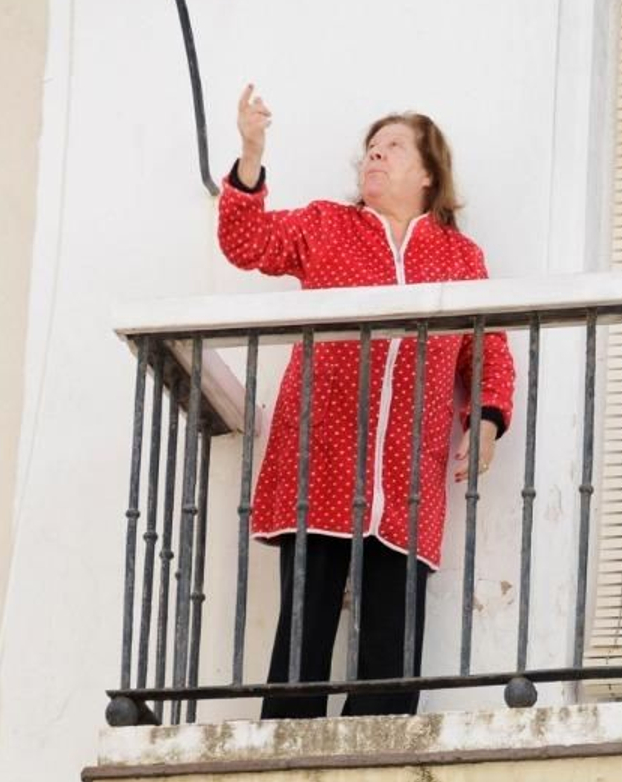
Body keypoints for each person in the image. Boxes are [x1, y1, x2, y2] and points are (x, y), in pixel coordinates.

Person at [218, 86, 514, 717]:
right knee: (303, 636)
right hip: (318, 454)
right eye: (370, 150)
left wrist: (487, 420)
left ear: (429, 172)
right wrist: (251, 153)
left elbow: (488, 351)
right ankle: (285, 760)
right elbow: (246, 243)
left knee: (392, 645)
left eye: (393, 148)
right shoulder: (328, 225)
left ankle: (380, 760)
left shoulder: (461, 259)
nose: (374, 158)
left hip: (409, 471)